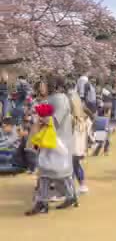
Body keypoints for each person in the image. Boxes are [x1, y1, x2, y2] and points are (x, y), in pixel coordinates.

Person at [26, 75, 79, 216]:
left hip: (58, 141)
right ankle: (45, 201)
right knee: (47, 172)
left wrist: (40, 118)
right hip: (51, 141)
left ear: (51, 85)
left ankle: (66, 197)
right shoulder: (53, 99)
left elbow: (55, 121)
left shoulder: (60, 99)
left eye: (43, 84)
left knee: (56, 172)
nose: (41, 86)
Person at [69, 90, 92, 194]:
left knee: (70, 167)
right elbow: (89, 133)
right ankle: (82, 184)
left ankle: (71, 188)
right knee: (76, 165)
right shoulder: (84, 118)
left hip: (72, 148)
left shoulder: (71, 118)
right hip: (80, 149)